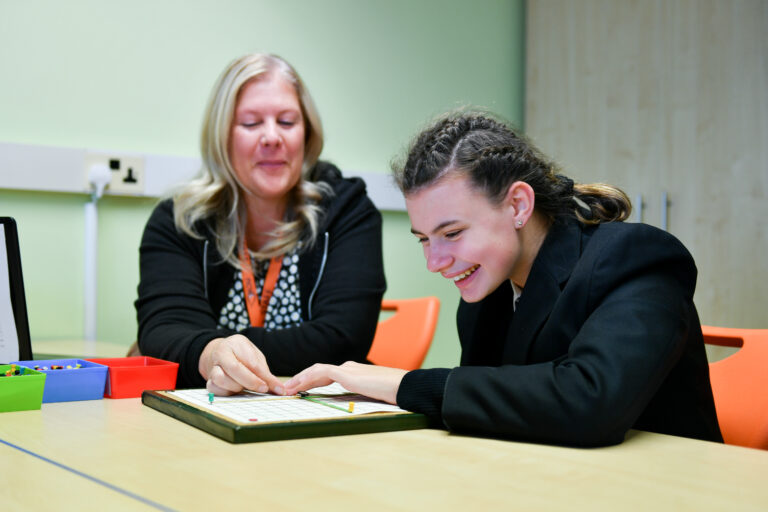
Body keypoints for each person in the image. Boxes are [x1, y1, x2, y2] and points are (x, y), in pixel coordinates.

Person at [283, 111, 723, 447]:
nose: (435, 262)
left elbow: (590, 401)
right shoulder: (487, 291)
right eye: (423, 239)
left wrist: (404, 385)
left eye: (452, 233)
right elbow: (494, 407)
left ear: (517, 206)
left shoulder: (637, 258)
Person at [134, 53, 386, 393]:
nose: (272, 137)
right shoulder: (179, 221)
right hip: (216, 407)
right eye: (251, 123)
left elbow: (343, 339)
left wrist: (207, 349)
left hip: (321, 410)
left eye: (286, 122)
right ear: (222, 137)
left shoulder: (348, 211)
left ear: (306, 134)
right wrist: (205, 352)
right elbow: (164, 330)